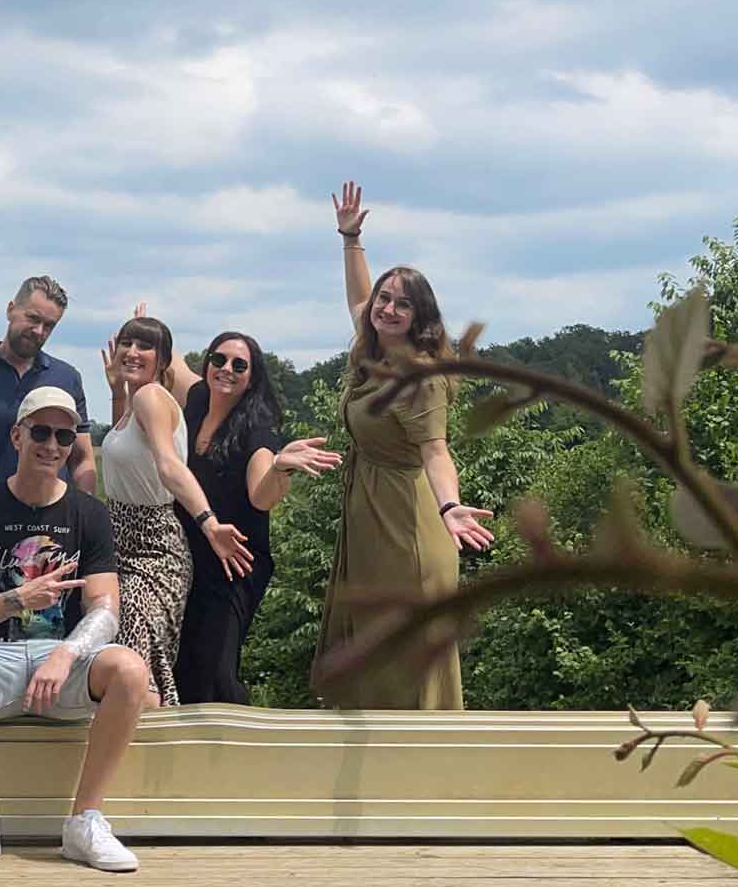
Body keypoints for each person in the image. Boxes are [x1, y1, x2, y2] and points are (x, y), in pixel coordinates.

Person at [0, 386, 151, 873]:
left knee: (128, 667)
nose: (52, 444)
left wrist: (66, 654)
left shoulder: (88, 513)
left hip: (62, 662)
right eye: (40, 431)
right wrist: (13, 600)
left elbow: (106, 609)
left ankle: (84, 821)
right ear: (17, 436)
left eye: (64, 435)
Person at [309, 182, 496, 709]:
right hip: (372, 514)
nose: (387, 309)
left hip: (408, 523)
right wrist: (351, 239)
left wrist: (451, 507)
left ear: (420, 317)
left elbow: (436, 452)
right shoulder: (373, 351)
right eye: (385, 299)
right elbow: (356, 300)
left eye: (402, 305)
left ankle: (423, 761)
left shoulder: (419, 377)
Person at [173, 330, 341, 705]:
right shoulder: (198, 398)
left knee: (215, 669)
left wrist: (280, 468)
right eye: (219, 360)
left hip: (235, 564)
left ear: (252, 378)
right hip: (190, 558)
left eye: (239, 365)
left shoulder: (256, 427)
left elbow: (261, 497)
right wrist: (144, 329)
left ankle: (238, 750)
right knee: (184, 664)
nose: (226, 369)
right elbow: (172, 361)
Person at [95, 315, 252, 708]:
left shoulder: (151, 398)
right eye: (127, 342)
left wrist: (209, 523)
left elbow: (167, 465)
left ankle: (144, 756)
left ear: (163, 360)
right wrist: (117, 393)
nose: (132, 352)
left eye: (145, 346)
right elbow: (129, 456)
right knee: (123, 657)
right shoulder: (136, 401)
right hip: (121, 544)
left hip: (152, 547)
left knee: (134, 661)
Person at [0, 276, 96, 507]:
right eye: (33, 318)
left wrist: (85, 516)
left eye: (49, 325)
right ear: (11, 310)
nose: (38, 331)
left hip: (53, 522)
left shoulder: (67, 378)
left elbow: (82, 458)